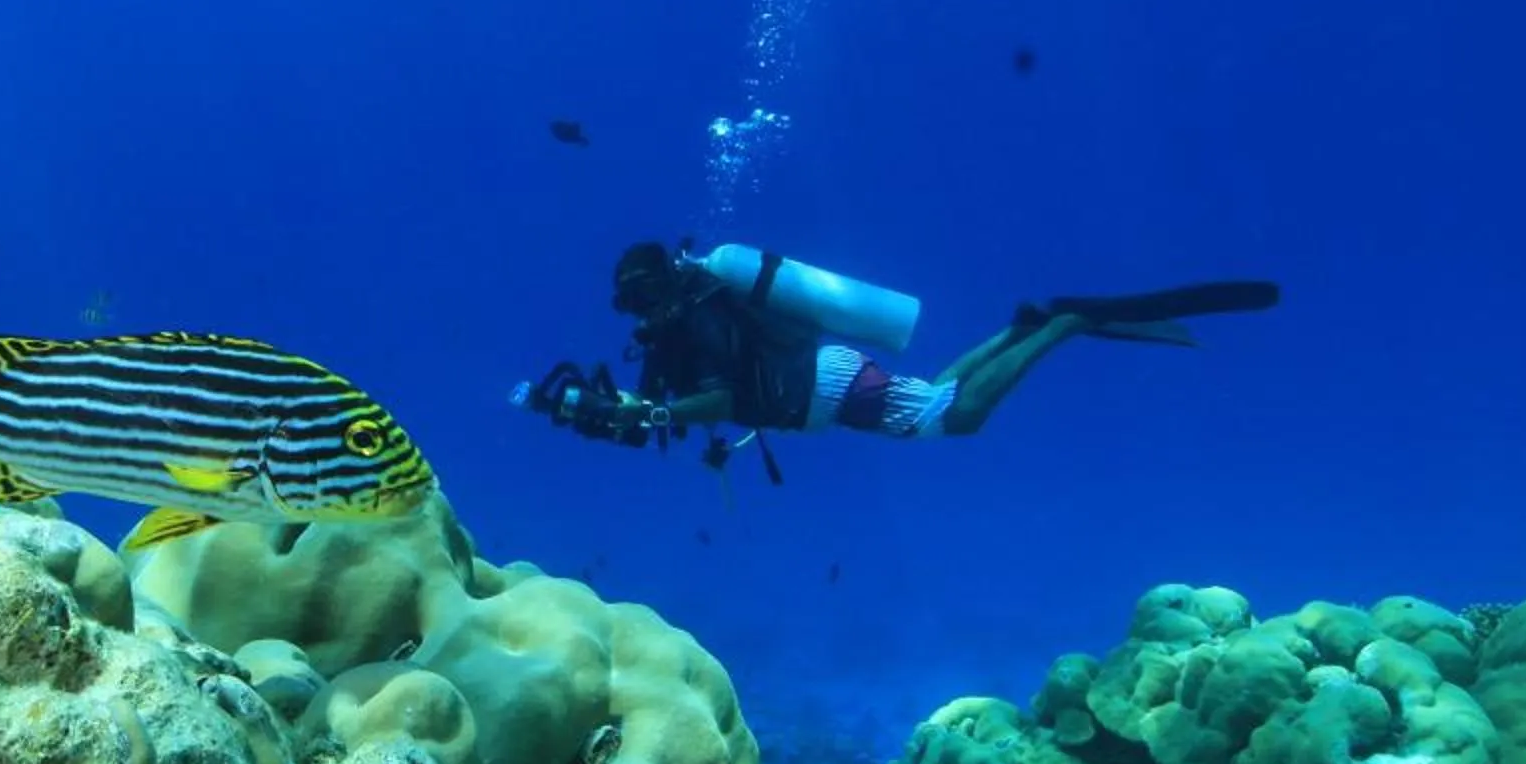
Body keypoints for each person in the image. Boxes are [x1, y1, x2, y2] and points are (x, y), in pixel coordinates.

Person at [515, 238, 1278, 475]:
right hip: (825, 384)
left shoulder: (699, 318)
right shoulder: (682, 324)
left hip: (820, 386)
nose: (635, 316)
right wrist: (622, 411)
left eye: (635, 300)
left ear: (655, 287)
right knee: (933, 395)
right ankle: (1020, 330)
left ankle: (1062, 327)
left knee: (954, 420)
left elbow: (712, 401)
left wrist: (654, 409)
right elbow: (666, 413)